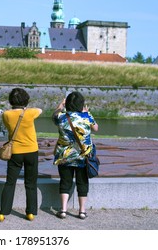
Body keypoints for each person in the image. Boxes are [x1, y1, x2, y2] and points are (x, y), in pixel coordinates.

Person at [0, 88, 42, 222]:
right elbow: (40, 110)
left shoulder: (6, 114)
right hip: (31, 151)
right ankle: (30, 212)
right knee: (31, 182)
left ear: (10, 101)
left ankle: (3, 212)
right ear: (26, 100)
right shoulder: (31, 113)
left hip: (15, 152)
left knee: (10, 182)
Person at [52, 91, 98, 220]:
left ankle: (63, 210)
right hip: (83, 156)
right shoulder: (86, 116)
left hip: (64, 156)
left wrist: (60, 106)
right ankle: (82, 211)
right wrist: (87, 112)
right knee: (82, 183)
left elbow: (54, 116)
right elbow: (96, 128)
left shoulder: (61, 117)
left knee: (65, 181)